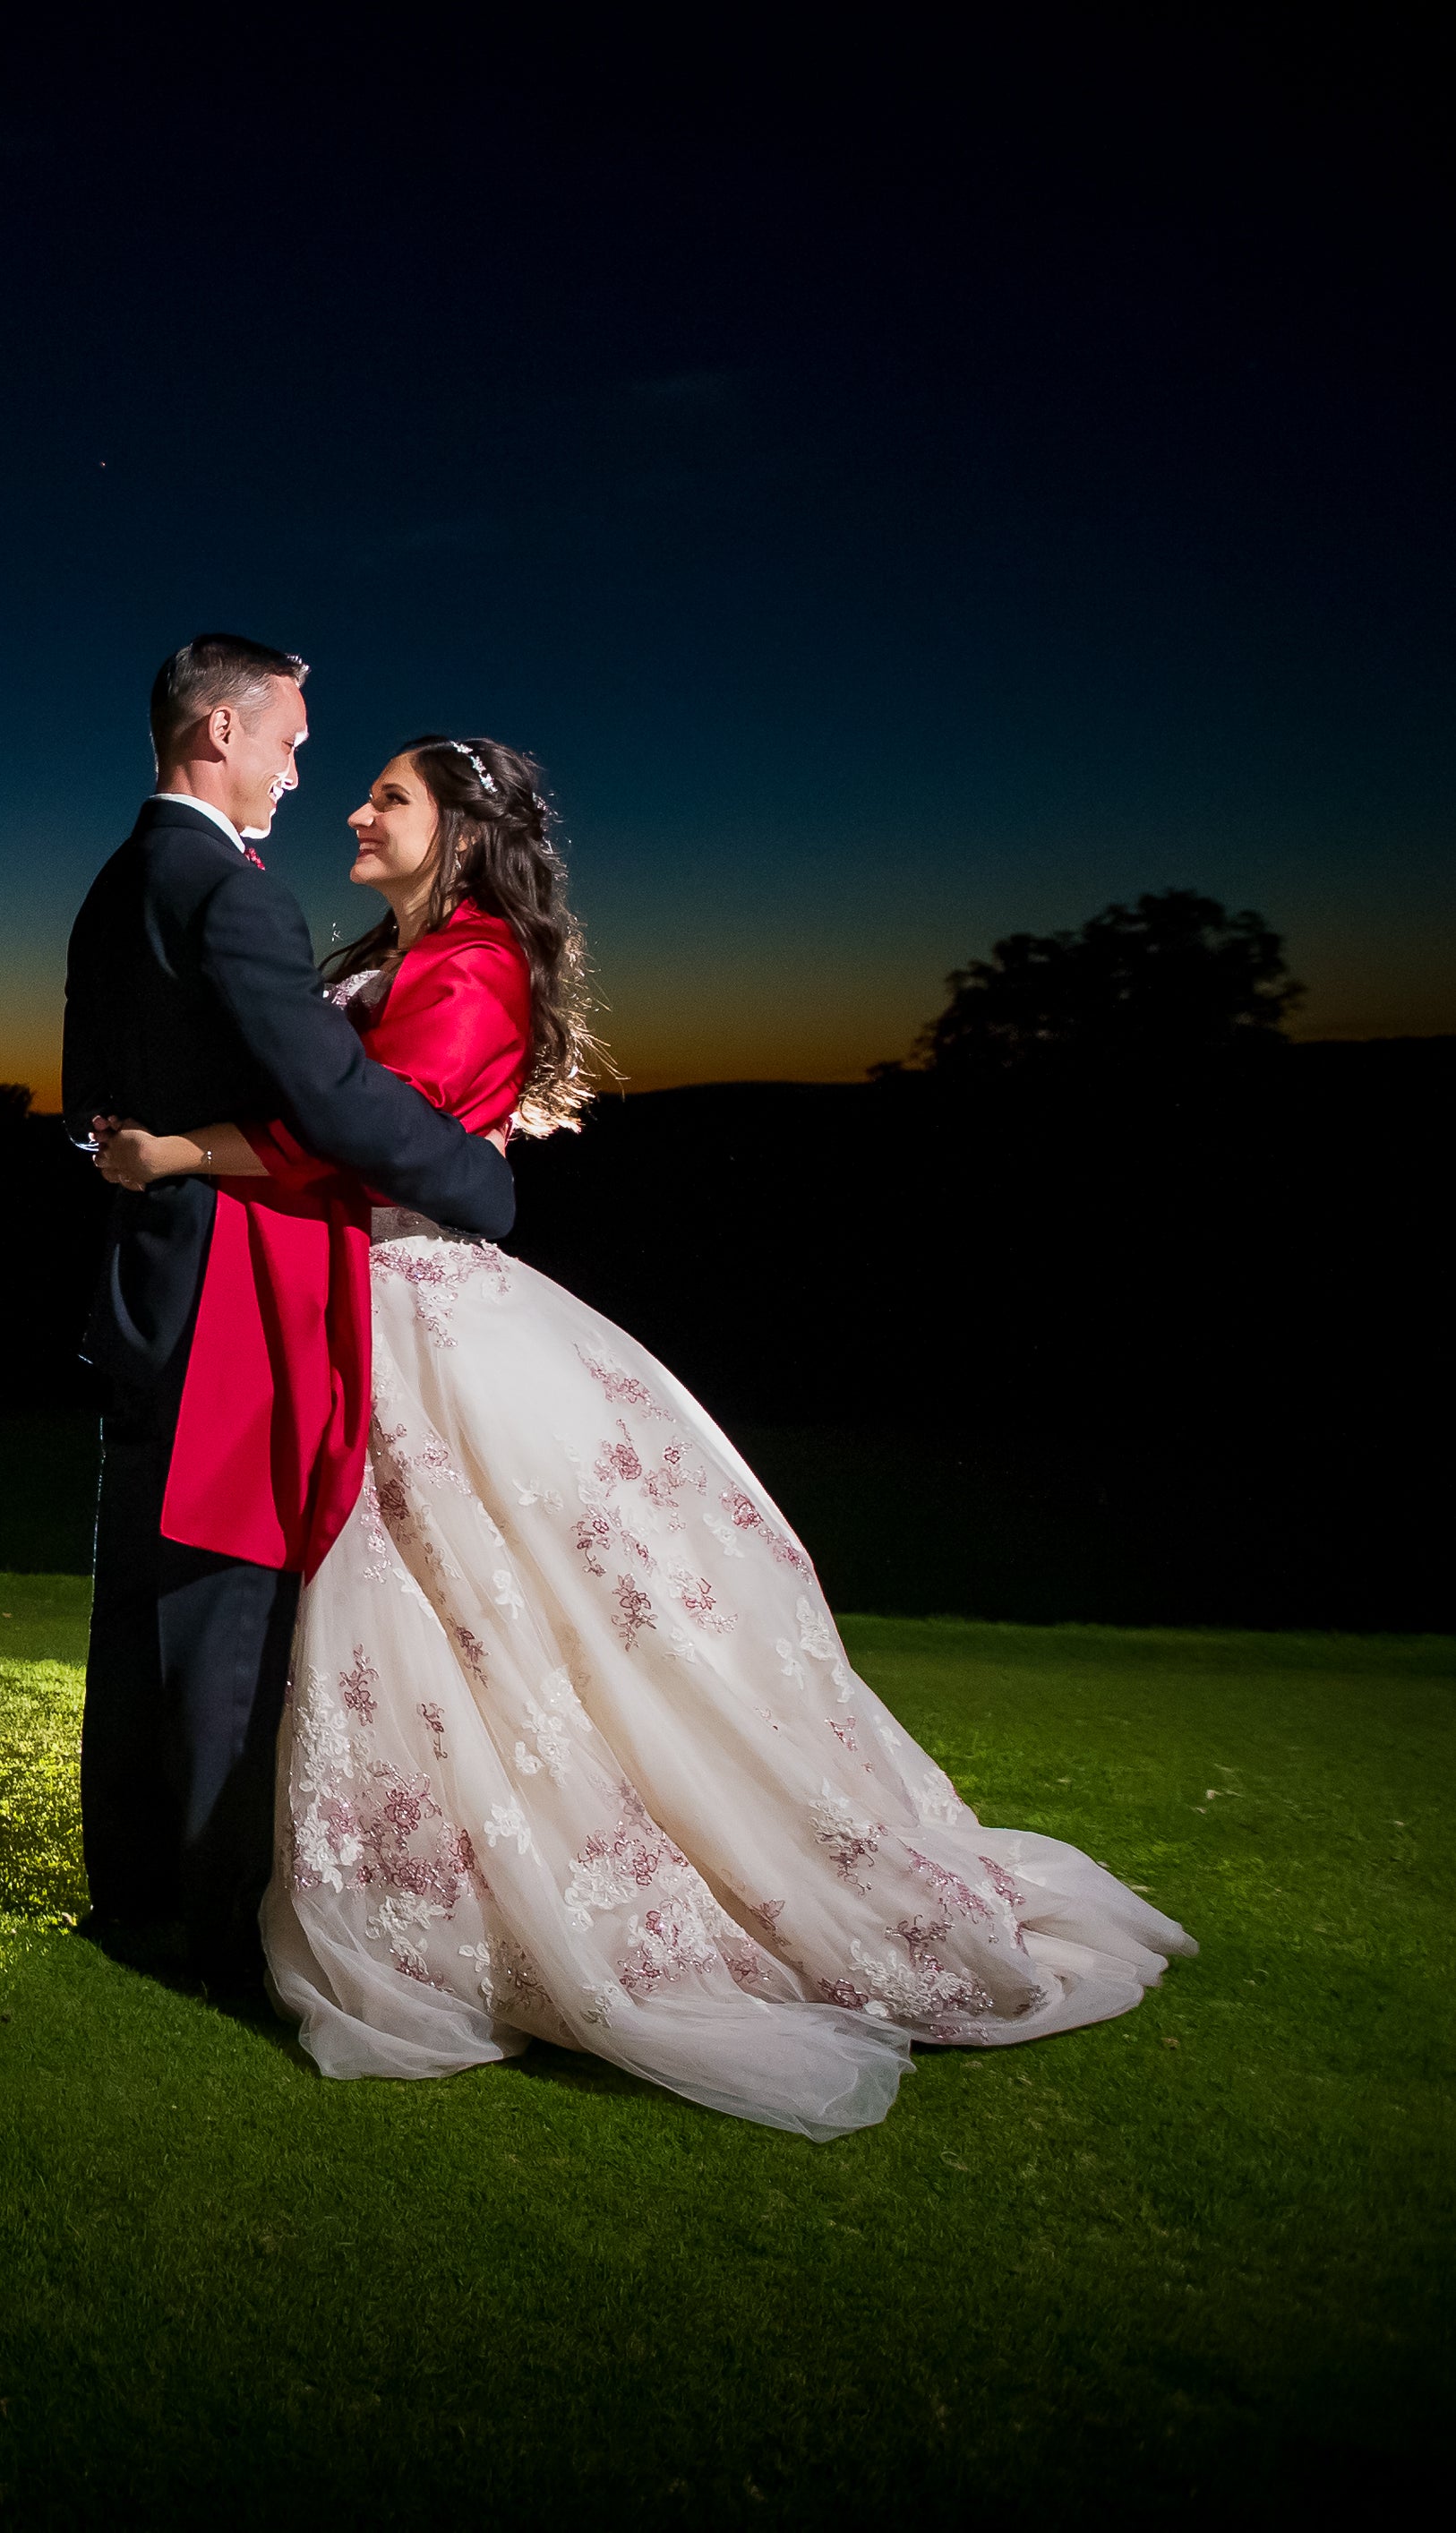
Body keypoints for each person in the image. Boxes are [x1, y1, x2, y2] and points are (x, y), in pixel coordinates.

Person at [100, 735, 1192, 2136]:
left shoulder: (476, 957)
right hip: (350, 1300)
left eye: (388, 798)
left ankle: (567, 1906)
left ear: (460, 833)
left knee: (501, 1602)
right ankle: (416, 1888)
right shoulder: (399, 947)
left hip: (422, 1309)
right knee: (429, 1616)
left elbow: (369, 1128)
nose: (356, 813)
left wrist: (185, 1152)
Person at [60, 636, 516, 1988]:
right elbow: (324, 1094)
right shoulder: (229, 890)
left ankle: (134, 1887)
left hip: (148, 1274)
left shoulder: (118, 879)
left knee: (139, 1594)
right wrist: (474, 1182)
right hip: (230, 1290)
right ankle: (216, 1929)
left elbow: (102, 1086)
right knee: (220, 1607)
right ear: (216, 729)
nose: (298, 771)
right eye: (289, 742)